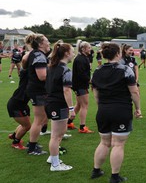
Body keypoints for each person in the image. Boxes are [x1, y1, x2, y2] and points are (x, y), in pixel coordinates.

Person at [91, 42, 141, 183]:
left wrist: (102, 106)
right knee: (118, 144)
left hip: (103, 110)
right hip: (120, 110)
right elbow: (134, 92)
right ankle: (114, 176)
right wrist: (138, 109)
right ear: (118, 54)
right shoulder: (125, 70)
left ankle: (96, 170)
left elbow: (96, 94)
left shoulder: (97, 71)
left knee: (104, 142)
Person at [45, 41, 75, 171]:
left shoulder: (52, 66)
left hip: (51, 102)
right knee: (56, 136)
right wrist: (71, 109)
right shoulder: (65, 69)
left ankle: (53, 158)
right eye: (73, 51)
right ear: (67, 53)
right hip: (57, 104)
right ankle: (55, 165)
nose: (74, 54)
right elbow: (66, 90)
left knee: (57, 134)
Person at [25, 33, 51, 155]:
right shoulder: (39, 55)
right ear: (40, 44)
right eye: (47, 40)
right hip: (38, 91)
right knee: (39, 120)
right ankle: (32, 148)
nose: (49, 43)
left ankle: (32, 143)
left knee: (40, 118)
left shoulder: (36, 54)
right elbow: (42, 76)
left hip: (36, 90)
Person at [7, 50, 32, 150]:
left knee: (25, 124)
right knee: (27, 126)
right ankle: (15, 142)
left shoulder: (27, 71)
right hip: (17, 104)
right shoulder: (25, 70)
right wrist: (33, 51)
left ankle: (14, 135)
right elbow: (25, 59)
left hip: (22, 103)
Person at [70, 40, 94, 133]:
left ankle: (69, 122)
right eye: (88, 48)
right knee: (85, 105)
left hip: (79, 85)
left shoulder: (83, 58)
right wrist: (90, 81)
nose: (90, 49)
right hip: (80, 85)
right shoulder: (81, 59)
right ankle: (82, 127)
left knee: (79, 104)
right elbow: (81, 74)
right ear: (83, 49)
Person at [120, 44, 142, 119]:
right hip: (126, 81)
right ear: (125, 50)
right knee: (127, 97)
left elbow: (136, 69)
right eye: (130, 50)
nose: (131, 52)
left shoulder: (133, 59)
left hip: (134, 80)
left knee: (137, 95)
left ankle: (137, 112)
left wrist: (137, 78)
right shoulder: (121, 60)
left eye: (132, 50)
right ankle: (126, 113)